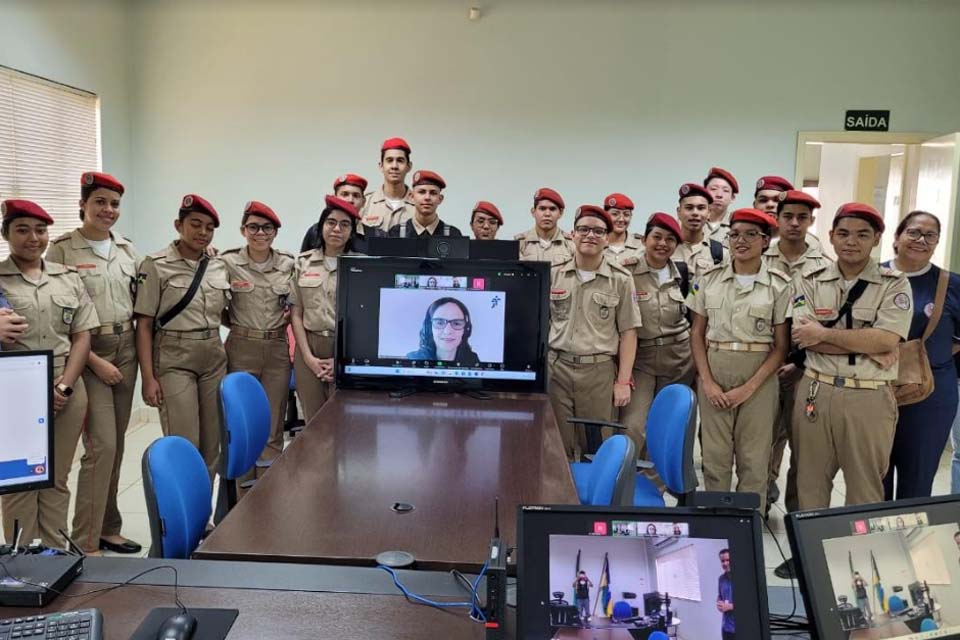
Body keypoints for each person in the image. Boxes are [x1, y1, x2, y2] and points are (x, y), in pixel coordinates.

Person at [45, 172, 143, 555]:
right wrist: (96, 362)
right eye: (100, 202)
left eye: (114, 204)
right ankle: (85, 542)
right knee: (101, 445)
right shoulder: (62, 250)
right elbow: (61, 321)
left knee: (115, 446)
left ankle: (107, 526)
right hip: (88, 353)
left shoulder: (127, 250)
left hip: (127, 348)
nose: (108, 210)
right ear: (83, 205)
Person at [791, 203, 911, 511]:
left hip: (867, 397)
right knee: (810, 484)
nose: (851, 241)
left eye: (862, 234)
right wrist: (864, 342)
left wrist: (825, 334)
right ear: (831, 237)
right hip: (816, 390)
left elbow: (886, 339)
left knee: (865, 488)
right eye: (843, 234)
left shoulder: (894, 283)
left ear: (877, 239)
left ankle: (859, 557)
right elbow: (803, 338)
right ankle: (811, 558)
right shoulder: (811, 278)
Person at [0, 199, 97, 548]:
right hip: (13, 390)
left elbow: (82, 335)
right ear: (6, 233)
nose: (33, 238)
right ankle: (18, 559)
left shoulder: (68, 278)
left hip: (64, 382)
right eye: (22, 229)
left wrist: (66, 386)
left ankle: (57, 555)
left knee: (57, 476)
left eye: (40, 230)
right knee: (18, 479)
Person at [689, 209, 791, 514]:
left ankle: (749, 525)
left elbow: (781, 346)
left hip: (759, 375)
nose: (740, 241)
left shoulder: (780, 284)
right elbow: (696, 333)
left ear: (765, 241)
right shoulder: (709, 280)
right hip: (715, 369)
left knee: (754, 457)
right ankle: (717, 523)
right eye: (734, 234)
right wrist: (706, 381)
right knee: (715, 456)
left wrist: (748, 388)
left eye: (750, 234)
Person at [134, 194, 230, 480]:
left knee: (212, 444)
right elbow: (144, 325)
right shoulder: (155, 264)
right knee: (185, 441)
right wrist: (148, 378)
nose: (203, 232)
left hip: (213, 355)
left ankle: (204, 517)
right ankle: (185, 521)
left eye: (209, 227)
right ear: (179, 225)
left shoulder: (218, 264)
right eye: (196, 224)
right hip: (174, 357)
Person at [548, 205, 641, 458]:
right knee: (556, 446)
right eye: (584, 229)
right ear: (572, 234)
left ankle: (594, 497)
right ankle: (561, 497)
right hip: (558, 370)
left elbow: (629, 333)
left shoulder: (620, 279)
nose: (590, 235)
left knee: (597, 447)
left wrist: (623, 381)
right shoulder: (554, 274)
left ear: (608, 239)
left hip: (598, 372)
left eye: (598, 231)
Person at [882, 211, 960, 500]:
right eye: (913, 232)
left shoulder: (951, 285)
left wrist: (925, 359)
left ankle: (911, 540)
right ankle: (875, 541)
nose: (920, 240)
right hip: (876, 389)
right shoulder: (874, 276)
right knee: (875, 474)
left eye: (930, 235)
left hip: (931, 395)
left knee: (918, 478)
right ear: (897, 236)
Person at [763, 190, 831, 515]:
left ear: (811, 221)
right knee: (762, 442)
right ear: (777, 219)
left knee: (804, 446)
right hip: (764, 366)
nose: (794, 223)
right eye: (788, 216)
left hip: (807, 369)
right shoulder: (759, 260)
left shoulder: (826, 268)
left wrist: (800, 364)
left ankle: (797, 517)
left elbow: (828, 322)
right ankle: (759, 505)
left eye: (802, 217)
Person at [221, 201, 295, 475]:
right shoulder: (226, 262)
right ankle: (243, 492)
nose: (260, 233)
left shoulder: (289, 263)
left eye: (267, 228)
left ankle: (268, 487)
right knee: (241, 422)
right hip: (241, 347)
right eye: (253, 227)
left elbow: (296, 305)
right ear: (243, 230)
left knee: (272, 423)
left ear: (275, 232)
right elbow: (215, 305)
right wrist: (240, 327)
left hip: (276, 349)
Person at [619, 214, 694, 474]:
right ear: (644, 238)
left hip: (679, 357)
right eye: (657, 237)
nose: (663, 244)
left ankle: (656, 489)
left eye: (670, 239)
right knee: (633, 425)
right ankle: (626, 482)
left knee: (667, 427)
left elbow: (695, 318)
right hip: (641, 357)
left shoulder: (684, 274)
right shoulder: (626, 271)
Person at [290, 195, 358, 421]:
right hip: (309, 346)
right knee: (313, 420)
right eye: (331, 222)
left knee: (344, 419)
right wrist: (308, 358)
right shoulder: (303, 263)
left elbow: (364, 319)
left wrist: (338, 358)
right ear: (321, 228)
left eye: (345, 224)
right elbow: (296, 314)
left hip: (348, 349)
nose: (337, 229)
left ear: (352, 232)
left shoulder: (360, 265)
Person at [301, 173, 368, 252]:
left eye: (356, 196)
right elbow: (306, 261)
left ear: (363, 202)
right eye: (345, 194)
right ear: (335, 198)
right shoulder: (315, 231)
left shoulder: (372, 235)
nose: (350, 200)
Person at [674, 183, 728, 280]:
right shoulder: (666, 249)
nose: (695, 213)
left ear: (709, 213)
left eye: (701, 208)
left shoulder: (721, 254)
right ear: (679, 212)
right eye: (689, 208)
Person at [360, 137, 414, 233]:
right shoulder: (365, 203)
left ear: (409, 166)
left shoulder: (419, 205)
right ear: (381, 166)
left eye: (400, 160)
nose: (394, 166)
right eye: (389, 160)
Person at [387, 170, 463, 237]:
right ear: (412, 197)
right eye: (422, 192)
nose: (427, 197)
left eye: (433, 193)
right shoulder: (396, 233)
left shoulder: (453, 235)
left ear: (440, 199)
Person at [406, 297, 481, 365]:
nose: (447, 331)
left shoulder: (473, 361)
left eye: (457, 323)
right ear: (429, 328)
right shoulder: (412, 360)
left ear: (465, 329)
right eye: (439, 323)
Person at [516, 188, 573, 264]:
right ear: (533, 212)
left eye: (552, 209)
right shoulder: (519, 243)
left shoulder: (571, 244)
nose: (547, 214)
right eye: (542, 209)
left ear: (561, 213)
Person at [603, 193, 643, 264]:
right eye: (615, 214)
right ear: (605, 215)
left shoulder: (642, 245)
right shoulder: (596, 244)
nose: (621, 219)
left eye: (626, 215)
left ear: (631, 217)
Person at [704, 167, 739, 245]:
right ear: (704, 193)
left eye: (725, 190)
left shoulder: (738, 226)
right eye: (714, 189)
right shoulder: (689, 222)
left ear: (732, 198)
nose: (719, 195)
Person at [717, 549, 735, 640]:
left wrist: (730, 606)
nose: (725, 563)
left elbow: (749, 603)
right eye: (722, 561)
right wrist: (719, 603)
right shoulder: (721, 579)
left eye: (728, 560)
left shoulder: (742, 578)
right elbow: (720, 595)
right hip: (725, 627)